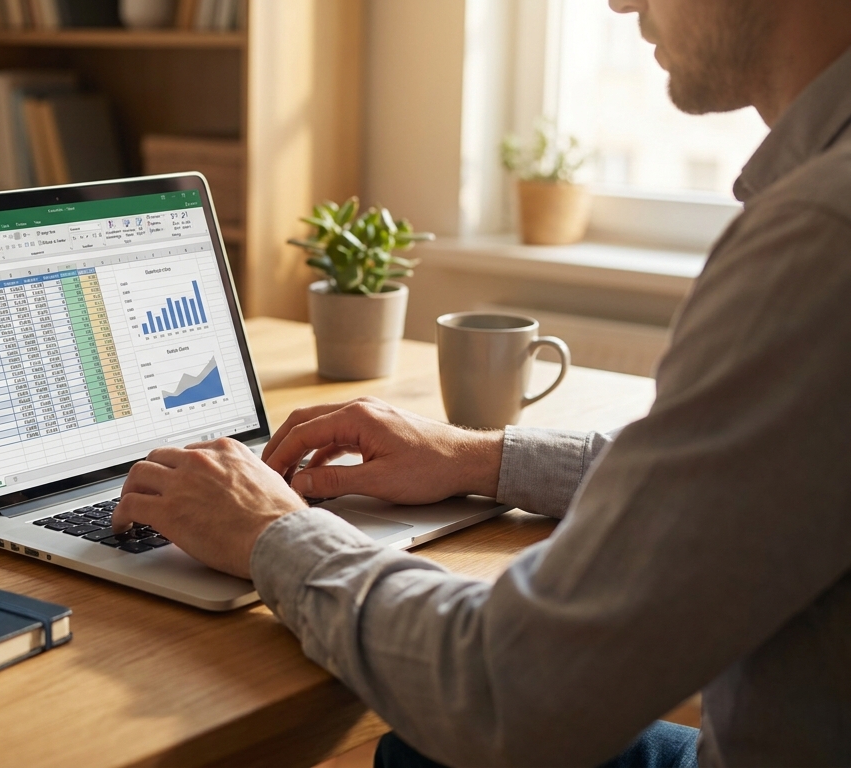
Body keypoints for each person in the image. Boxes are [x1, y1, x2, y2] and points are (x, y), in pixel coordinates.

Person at [110, 0, 851, 765]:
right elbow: (730, 484)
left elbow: (506, 689)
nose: (620, 2)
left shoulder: (819, 242)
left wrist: (269, 532)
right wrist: (481, 458)